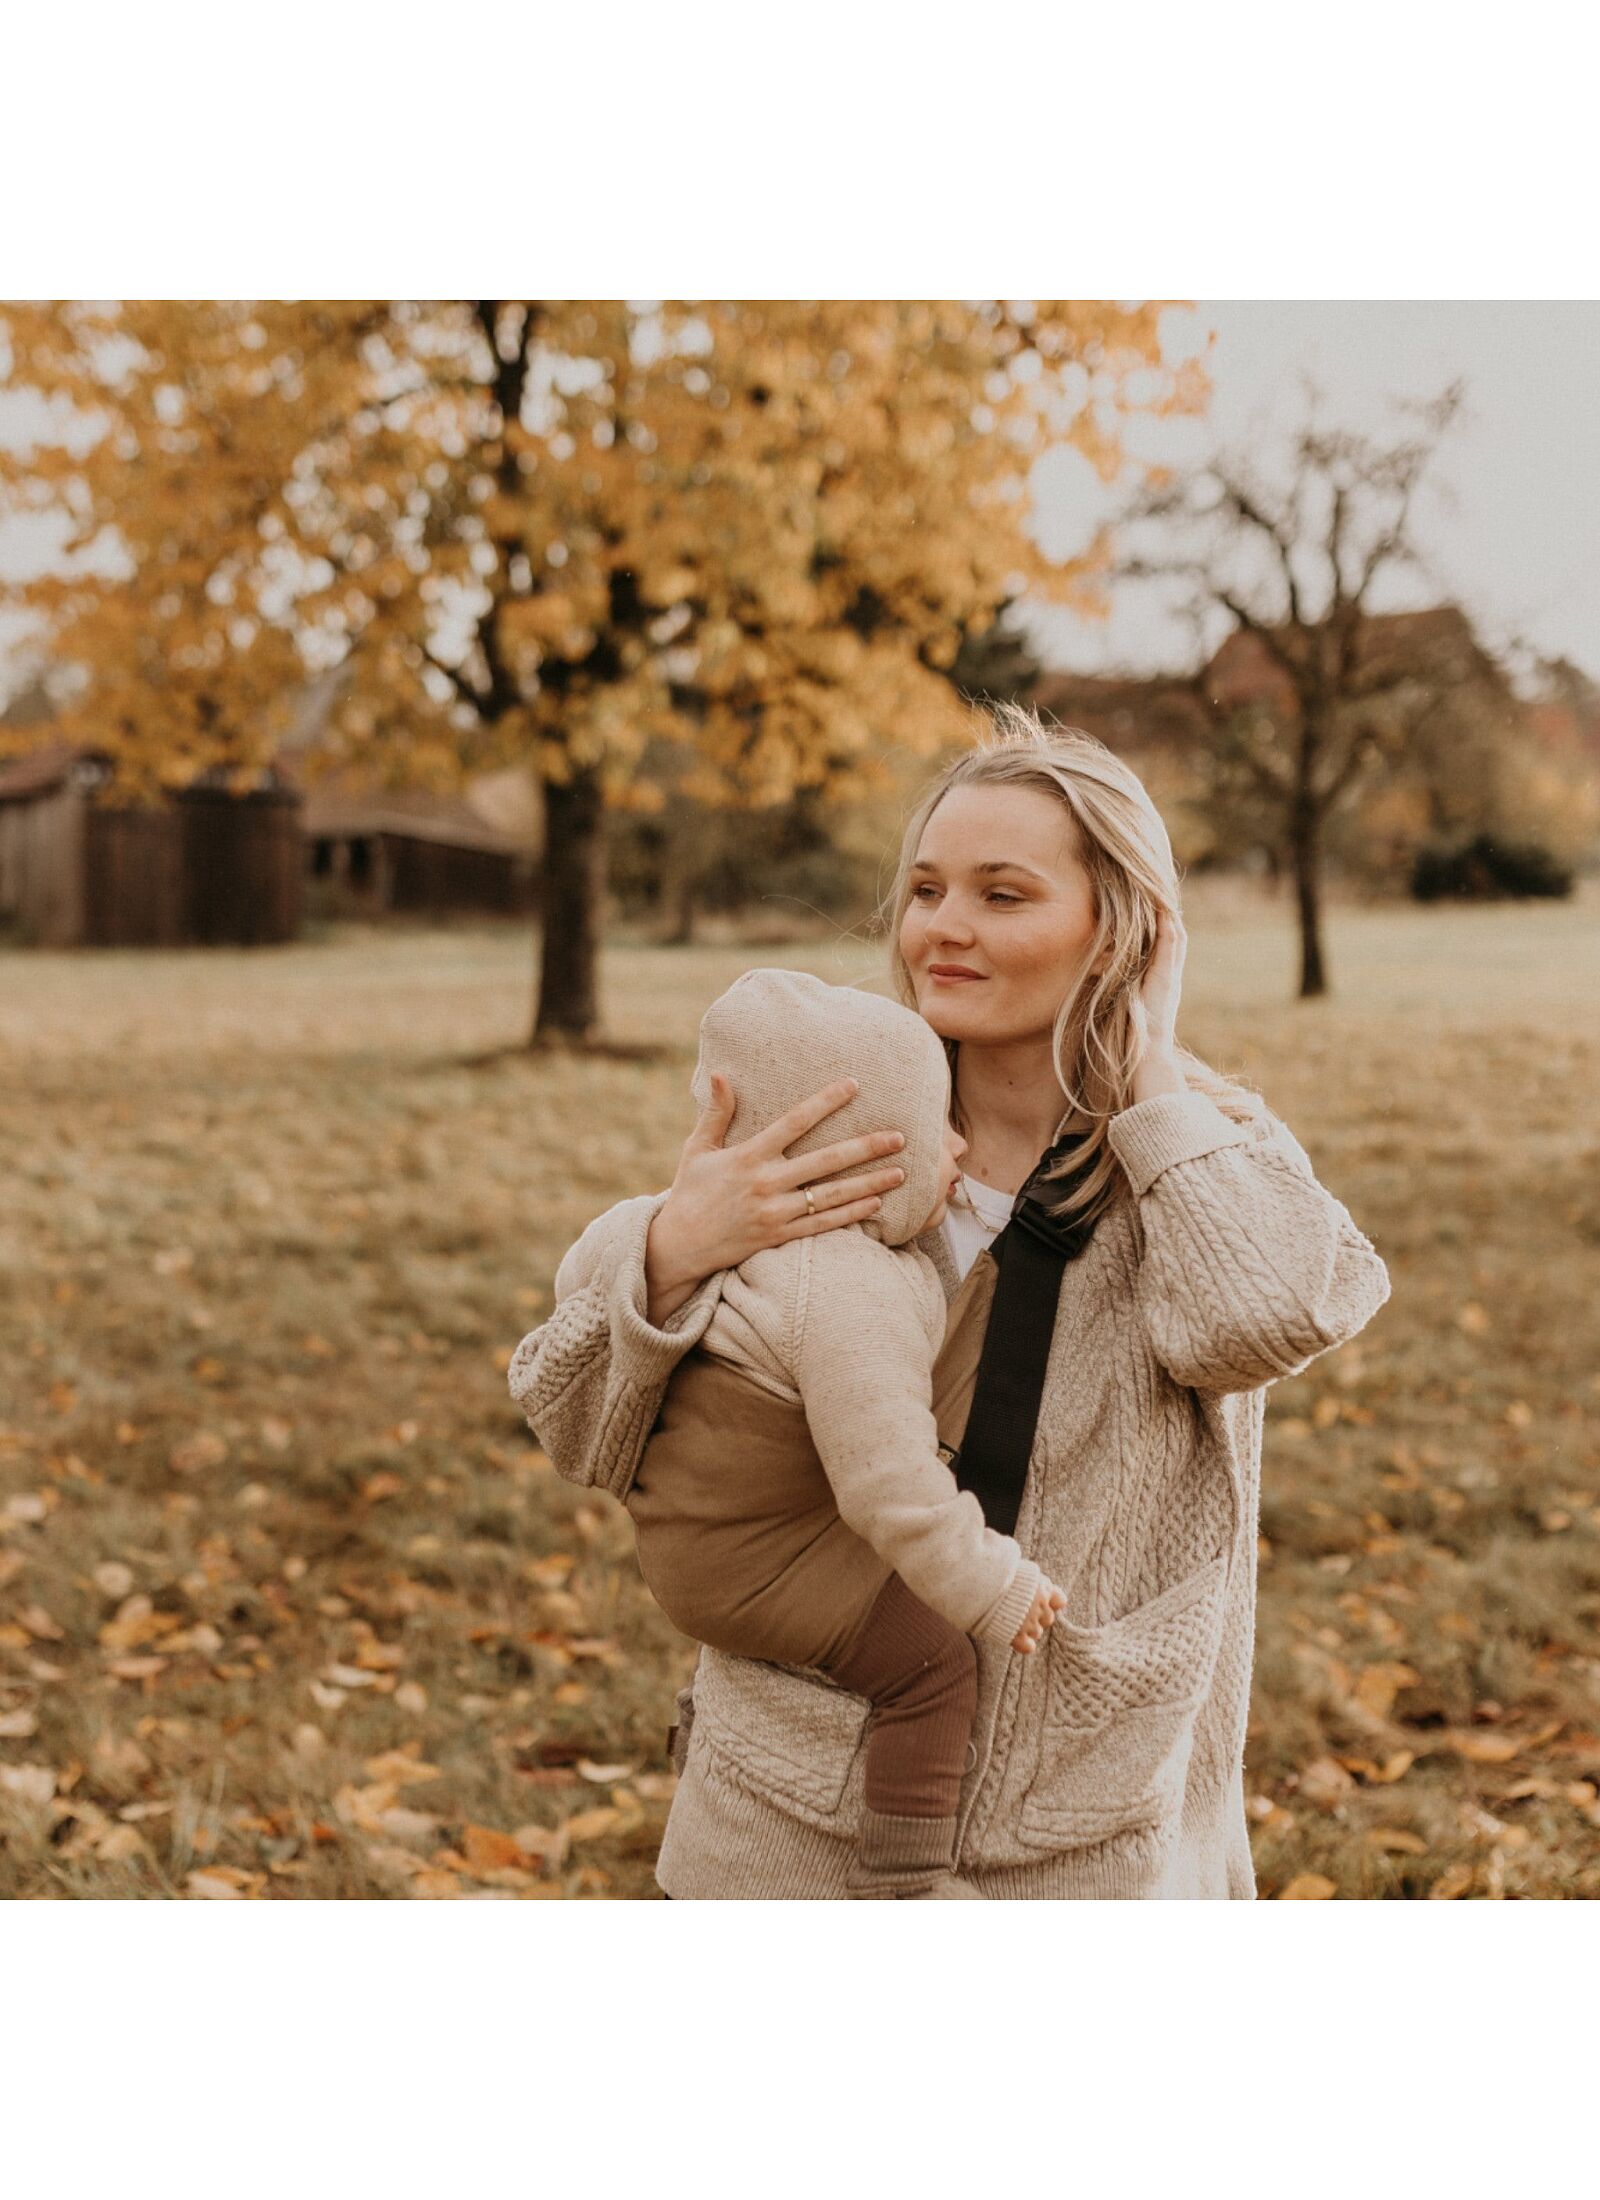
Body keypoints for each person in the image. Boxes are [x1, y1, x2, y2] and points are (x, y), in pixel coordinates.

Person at [508, 705, 1392, 1899]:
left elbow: (1260, 1322)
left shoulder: (1205, 1148)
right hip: (786, 1810)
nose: (943, 927)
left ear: (1121, 927)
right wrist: (670, 1251)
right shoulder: (832, 1135)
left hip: (1085, 1831)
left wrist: (1152, 1078)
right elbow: (576, 1428)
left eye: (1002, 894)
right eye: (925, 890)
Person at [573, 964, 1066, 1899]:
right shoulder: (846, 1290)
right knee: (932, 1665)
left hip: (699, 1540)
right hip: (753, 1562)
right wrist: (990, 1585)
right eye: (936, 1128)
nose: (959, 1147)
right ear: (862, 1156)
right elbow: (891, 1481)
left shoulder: (728, 1239)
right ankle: (905, 1883)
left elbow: (584, 1271)